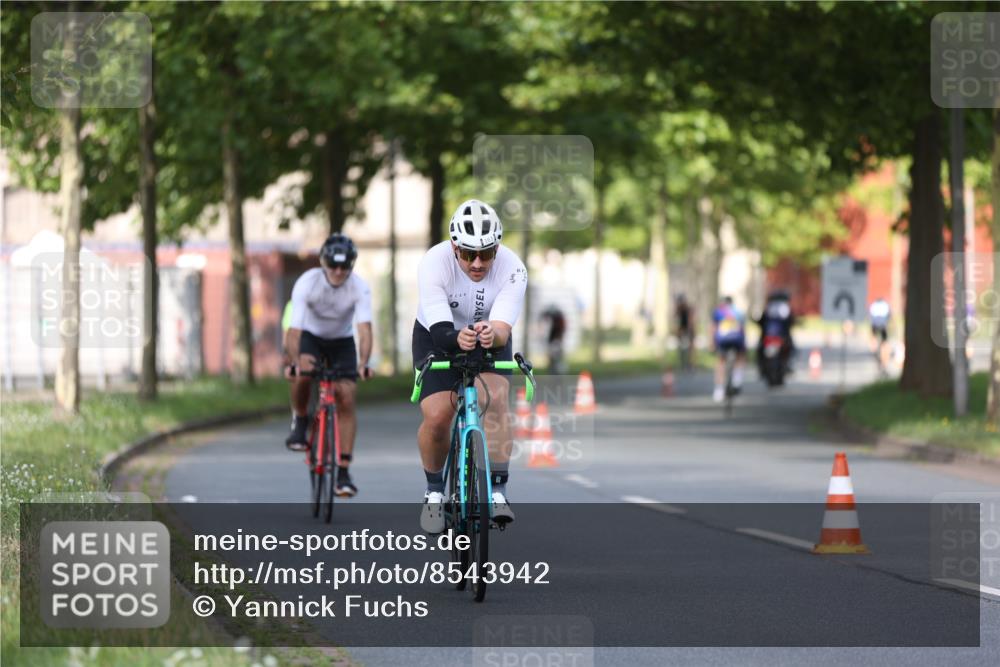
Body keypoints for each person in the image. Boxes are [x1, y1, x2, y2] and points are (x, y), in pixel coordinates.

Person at [413, 199, 527, 533]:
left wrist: (493, 333)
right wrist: (455, 338)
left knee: (496, 401)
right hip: (438, 335)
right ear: (454, 247)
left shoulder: (513, 268)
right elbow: (439, 330)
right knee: (438, 416)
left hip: (488, 337)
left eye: (486, 254)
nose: (477, 263)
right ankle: (434, 492)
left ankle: (497, 491)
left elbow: (503, 328)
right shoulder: (433, 262)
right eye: (467, 254)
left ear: (497, 249)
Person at [283, 233, 374, 498]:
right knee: (303, 373)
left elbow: (364, 329)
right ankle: (300, 419)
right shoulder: (307, 282)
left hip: (342, 341)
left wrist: (364, 363)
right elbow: (294, 331)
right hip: (311, 337)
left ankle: (343, 472)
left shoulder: (359, 286)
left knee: (346, 396)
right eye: (333, 265)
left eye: (345, 266)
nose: (338, 271)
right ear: (323, 263)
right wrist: (293, 361)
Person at [712, 295, 746, 402]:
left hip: (723, 341)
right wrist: (744, 345)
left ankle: (719, 390)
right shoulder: (739, 312)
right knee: (740, 357)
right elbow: (742, 329)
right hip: (737, 340)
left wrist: (712, 343)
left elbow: (713, 328)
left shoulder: (718, 312)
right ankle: (737, 379)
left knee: (720, 362)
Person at [755, 289, 796, 375]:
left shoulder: (770, 309)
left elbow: (761, 321)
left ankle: (762, 366)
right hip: (776, 338)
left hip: (775, 338)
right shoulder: (784, 309)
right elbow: (791, 321)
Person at [541, 305, 567, 374]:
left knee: (556, 359)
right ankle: (553, 371)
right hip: (554, 341)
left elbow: (559, 333)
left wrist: (556, 341)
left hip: (556, 342)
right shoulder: (554, 321)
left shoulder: (559, 322)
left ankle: (557, 372)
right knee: (552, 359)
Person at [869, 297, 891, 373]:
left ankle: (874, 351)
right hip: (883, 325)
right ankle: (883, 359)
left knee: (873, 338)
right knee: (884, 343)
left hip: (875, 324)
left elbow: (871, 316)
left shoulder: (873, 305)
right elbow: (889, 316)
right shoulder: (885, 305)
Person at [674, 294, 695, 372]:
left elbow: (690, 321)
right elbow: (676, 320)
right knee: (681, 348)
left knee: (690, 348)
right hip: (681, 330)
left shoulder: (688, 309)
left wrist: (689, 331)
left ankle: (690, 364)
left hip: (688, 330)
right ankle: (683, 363)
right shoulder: (679, 310)